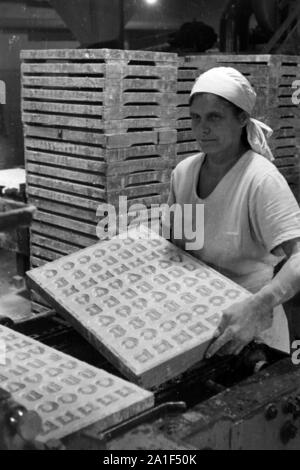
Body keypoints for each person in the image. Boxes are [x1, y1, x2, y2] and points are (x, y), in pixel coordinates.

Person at [164, 66, 300, 357]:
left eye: (214, 117)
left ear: (241, 119)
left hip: (249, 330)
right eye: (196, 118)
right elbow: (180, 248)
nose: (203, 128)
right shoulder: (184, 173)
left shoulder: (260, 180)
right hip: (195, 321)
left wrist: (258, 305)